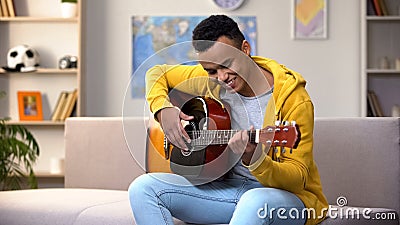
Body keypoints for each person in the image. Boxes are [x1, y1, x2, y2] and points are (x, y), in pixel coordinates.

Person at [128, 15, 328, 225]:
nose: (221, 77)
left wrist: (255, 159)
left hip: (283, 199)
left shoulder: (294, 100)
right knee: (143, 188)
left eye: (227, 65)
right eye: (212, 71)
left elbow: (297, 178)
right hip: (227, 191)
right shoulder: (212, 81)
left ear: (245, 49)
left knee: (254, 201)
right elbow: (157, 73)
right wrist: (162, 109)